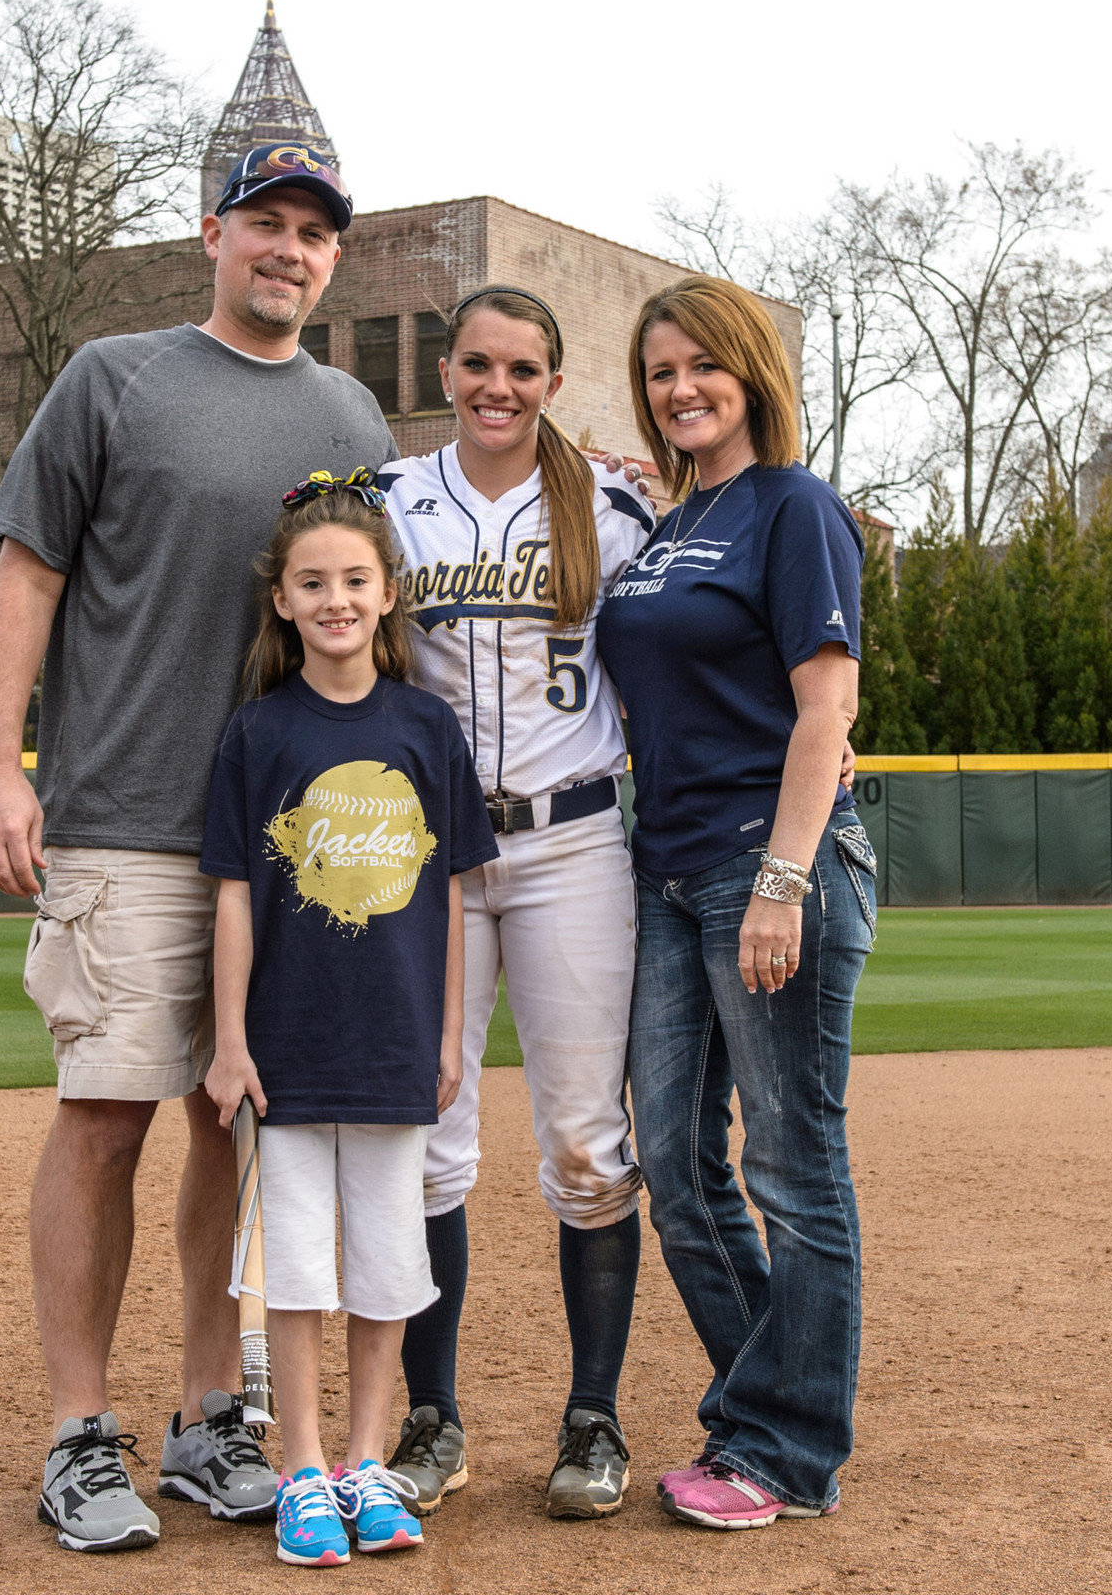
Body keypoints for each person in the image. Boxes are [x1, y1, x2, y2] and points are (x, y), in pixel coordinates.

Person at [0, 142, 396, 1555]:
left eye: (313, 232)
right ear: (211, 233)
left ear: (336, 257)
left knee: (234, 1122)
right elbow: (27, 571)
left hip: (284, 846)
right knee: (106, 1119)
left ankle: (211, 1417)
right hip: (129, 815)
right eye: (265, 222)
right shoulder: (114, 375)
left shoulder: (349, 412)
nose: (289, 248)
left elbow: (388, 595)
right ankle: (79, 1434)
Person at [594, 274, 877, 1530]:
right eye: (659, 371)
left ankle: (786, 1448)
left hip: (770, 864)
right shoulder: (663, 526)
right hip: (664, 867)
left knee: (793, 1165)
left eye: (702, 364)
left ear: (751, 369)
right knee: (671, 1155)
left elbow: (827, 708)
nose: (680, 388)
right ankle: (769, 1399)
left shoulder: (792, 506)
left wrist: (783, 878)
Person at [376, 286, 656, 1520]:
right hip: (433, 855)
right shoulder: (389, 502)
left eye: (525, 367)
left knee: (588, 1142)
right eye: (480, 363)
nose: (500, 385)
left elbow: (710, 632)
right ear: (448, 370)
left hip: (574, 843)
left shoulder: (618, 502)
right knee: (429, 1134)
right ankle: (429, 1415)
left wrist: (826, 726)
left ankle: (593, 1414)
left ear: (554, 378)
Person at [200, 473, 498, 1566]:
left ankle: (370, 1459)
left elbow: (456, 895)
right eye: (311, 580)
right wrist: (229, 1039)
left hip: (391, 1044)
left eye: (354, 579)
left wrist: (445, 1031)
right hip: (284, 1046)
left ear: (387, 596)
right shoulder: (256, 734)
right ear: (281, 600)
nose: (334, 598)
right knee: (297, 1271)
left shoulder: (425, 726)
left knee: (383, 1264)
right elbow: (234, 894)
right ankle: (303, 1468)